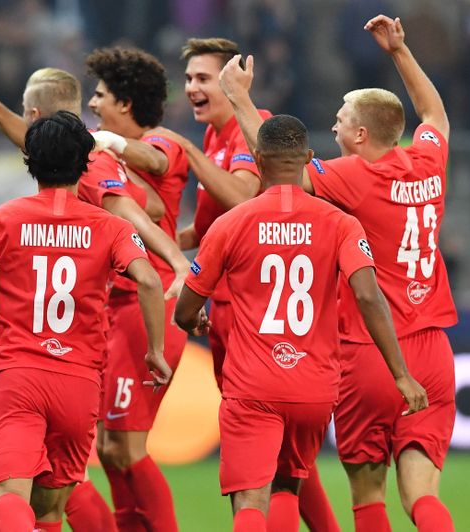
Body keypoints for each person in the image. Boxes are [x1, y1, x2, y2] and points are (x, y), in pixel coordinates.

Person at [220, 14, 458, 532]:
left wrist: (239, 98)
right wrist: (399, 51)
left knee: (368, 495)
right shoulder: (426, 162)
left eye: (341, 120)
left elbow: (281, 167)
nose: (333, 127)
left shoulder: (353, 177)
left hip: (373, 349)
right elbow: (434, 112)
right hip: (434, 350)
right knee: (421, 495)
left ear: (362, 133)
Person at [0, 67, 192, 531]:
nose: (96, 104)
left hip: (88, 332)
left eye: (25, 114)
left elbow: (135, 211)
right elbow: (149, 203)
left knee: (93, 461)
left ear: (37, 115)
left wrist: (177, 261)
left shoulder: (91, 162)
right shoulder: (67, 158)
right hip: (45, 342)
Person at [173, 114, 428, 532]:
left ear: (257, 159)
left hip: (253, 384)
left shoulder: (231, 223)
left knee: (251, 501)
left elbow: (186, 310)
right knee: (289, 485)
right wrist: (401, 374)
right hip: (314, 387)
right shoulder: (342, 223)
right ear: (309, 159)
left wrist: (195, 320)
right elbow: (368, 294)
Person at [152, 36, 341, 532]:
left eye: (203, 78)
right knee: (283, 459)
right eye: (188, 78)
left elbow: (241, 201)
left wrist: (188, 154)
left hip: (249, 313)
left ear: (233, 82)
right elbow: (211, 226)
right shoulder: (219, 138)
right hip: (237, 307)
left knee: (263, 468)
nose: (192, 87)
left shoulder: (247, 133)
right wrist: (159, 240)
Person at [82, 46, 191, 531]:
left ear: (124, 104)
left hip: (153, 302)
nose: (91, 103)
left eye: (100, 96)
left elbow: (158, 163)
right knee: (109, 448)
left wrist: (108, 142)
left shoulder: (163, 142)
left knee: (129, 447)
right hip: (115, 308)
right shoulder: (102, 158)